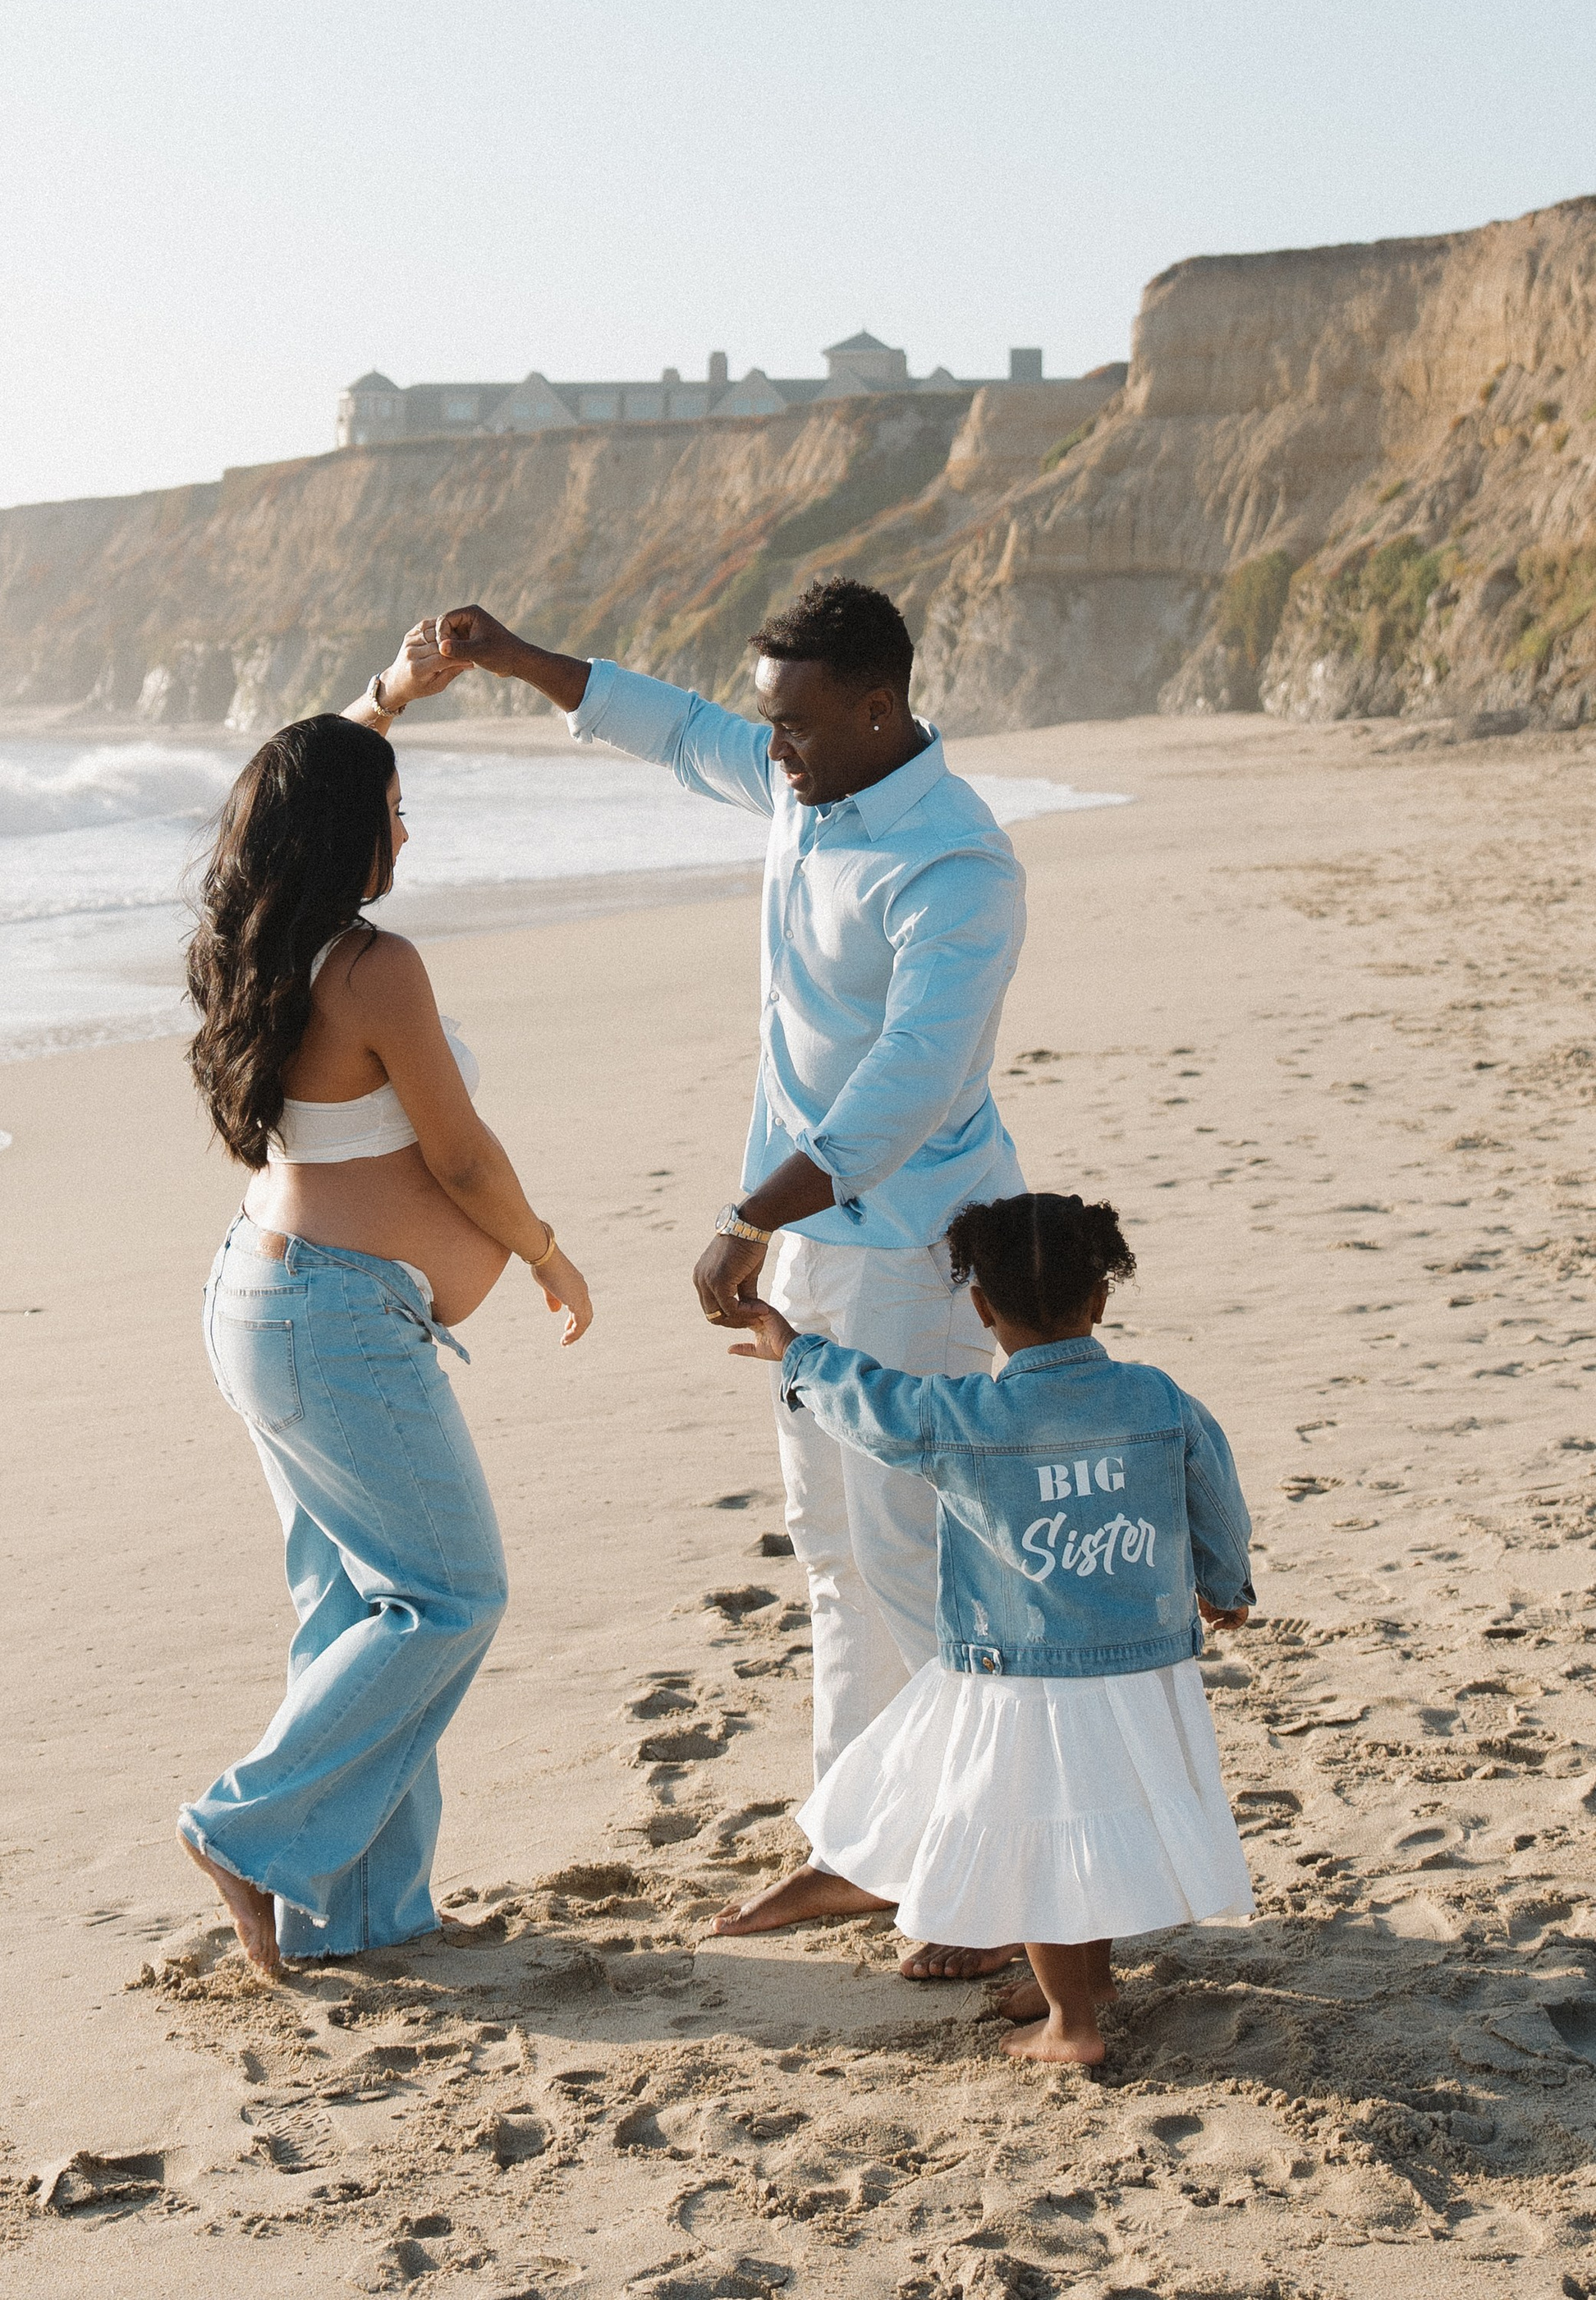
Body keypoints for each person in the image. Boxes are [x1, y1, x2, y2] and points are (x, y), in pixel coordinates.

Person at [431, 579, 1028, 1967]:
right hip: (812, 1240)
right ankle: (861, 1845)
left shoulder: (958, 865)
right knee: (831, 1554)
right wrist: (518, 657)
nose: (774, 750)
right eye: (773, 725)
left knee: (912, 1560)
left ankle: (983, 1881)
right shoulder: (800, 780)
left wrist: (747, 1219)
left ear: (879, 709)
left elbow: (909, 1089)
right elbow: (677, 727)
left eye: (801, 726)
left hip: (912, 1251)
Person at [177, 624, 594, 1977]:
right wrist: (541, 1250)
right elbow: (460, 1154)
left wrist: (390, 698)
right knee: (451, 1594)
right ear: (347, 834)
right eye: (394, 814)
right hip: (329, 1320)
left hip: (272, 1299)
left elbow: (307, 775)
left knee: (359, 1609)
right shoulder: (373, 966)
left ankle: (364, 1915)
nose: (404, 834)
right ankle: (250, 1829)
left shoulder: (262, 945)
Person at [729, 1191, 1255, 2066]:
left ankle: (1071, 2027)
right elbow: (1214, 1487)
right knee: (1094, 1823)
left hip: (1024, 1673)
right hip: (1137, 1666)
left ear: (980, 1306)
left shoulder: (964, 1414)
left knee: (1042, 1844)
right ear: (1099, 1301)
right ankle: (1086, 1986)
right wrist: (1223, 1578)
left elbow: (870, 1404)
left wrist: (795, 1349)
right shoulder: (1156, 1397)